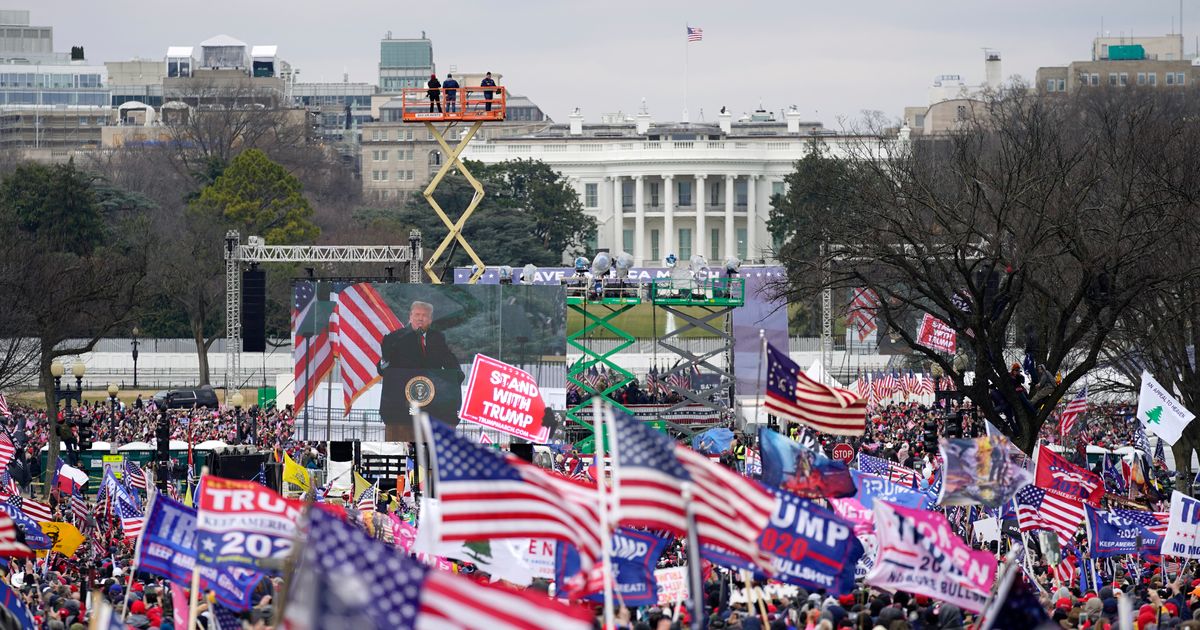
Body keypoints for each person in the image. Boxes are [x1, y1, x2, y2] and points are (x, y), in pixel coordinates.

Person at [378, 300, 465, 440]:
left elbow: (449, 361)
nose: (420, 318)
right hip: (402, 405)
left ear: (430, 320)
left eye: (424, 315)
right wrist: (384, 360)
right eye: (417, 314)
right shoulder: (395, 338)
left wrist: (456, 375)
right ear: (410, 316)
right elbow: (383, 370)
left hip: (434, 405)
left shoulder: (438, 338)